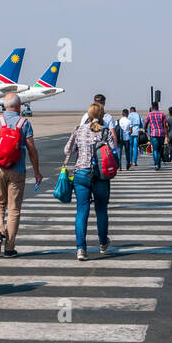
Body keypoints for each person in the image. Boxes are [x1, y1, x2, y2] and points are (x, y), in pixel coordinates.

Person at [0, 92, 42, 257]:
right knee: (14, 209)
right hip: (17, 170)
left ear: (4, 105)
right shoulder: (24, 123)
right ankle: (9, 248)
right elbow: (32, 150)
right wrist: (36, 171)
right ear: (18, 106)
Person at [62, 103, 117, 260]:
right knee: (101, 210)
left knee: (82, 211)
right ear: (102, 116)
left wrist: (81, 147)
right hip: (100, 175)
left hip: (81, 174)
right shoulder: (105, 132)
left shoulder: (79, 130)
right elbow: (113, 151)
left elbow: (67, 150)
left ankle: (81, 248)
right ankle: (102, 243)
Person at [144, 102, 167, 170]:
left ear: (152, 107)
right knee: (160, 149)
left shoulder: (150, 114)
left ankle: (156, 164)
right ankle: (158, 162)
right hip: (162, 134)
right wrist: (167, 135)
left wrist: (145, 129)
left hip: (154, 134)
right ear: (158, 106)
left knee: (155, 149)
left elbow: (146, 123)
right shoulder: (162, 114)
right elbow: (165, 125)